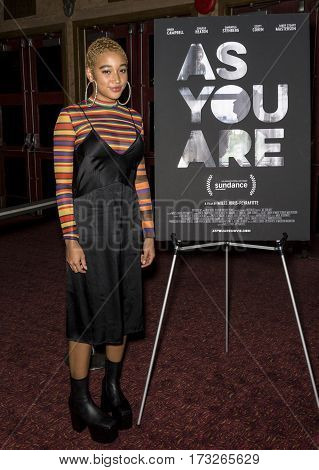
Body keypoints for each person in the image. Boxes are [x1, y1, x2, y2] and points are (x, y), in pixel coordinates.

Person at [53, 37, 155, 443]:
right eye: (107, 70)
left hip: (126, 224)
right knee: (86, 312)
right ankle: (80, 397)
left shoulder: (134, 119)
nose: (116, 78)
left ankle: (111, 386)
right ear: (91, 74)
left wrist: (148, 229)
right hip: (89, 226)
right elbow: (62, 185)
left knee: (124, 307)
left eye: (122, 70)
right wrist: (70, 239)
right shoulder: (71, 117)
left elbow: (141, 178)